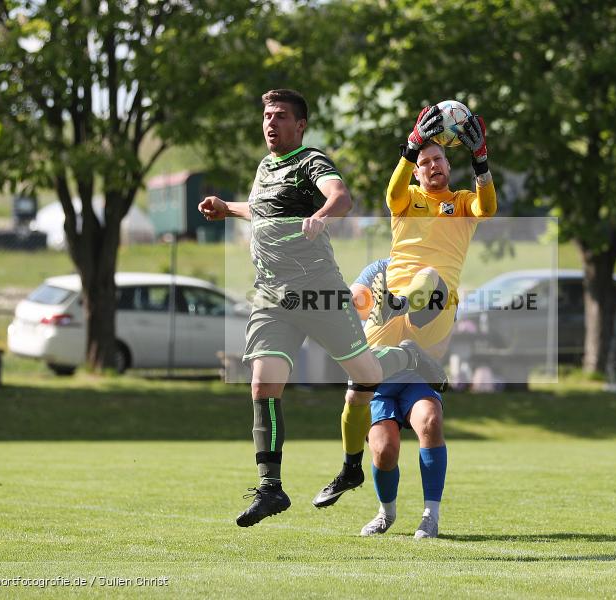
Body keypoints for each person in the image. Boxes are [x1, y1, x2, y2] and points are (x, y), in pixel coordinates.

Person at [196, 89, 447, 528]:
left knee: (364, 375)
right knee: (262, 384)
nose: (270, 123)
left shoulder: (310, 160)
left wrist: (324, 214)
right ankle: (270, 487)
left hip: (318, 291)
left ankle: (408, 355)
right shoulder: (264, 167)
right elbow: (260, 210)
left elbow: (341, 196)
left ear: (300, 125)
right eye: (267, 116)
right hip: (272, 297)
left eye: (280, 116)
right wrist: (227, 209)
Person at [313, 105, 496, 539]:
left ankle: (430, 515)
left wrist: (483, 160)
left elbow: (488, 206)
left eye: (439, 160)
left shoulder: (462, 203)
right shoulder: (406, 199)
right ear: (417, 171)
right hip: (384, 337)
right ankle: (386, 510)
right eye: (426, 162)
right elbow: (393, 187)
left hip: (430, 313)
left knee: (430, 419)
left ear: (450, 164)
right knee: (385, 449)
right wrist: (411, 147)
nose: (433, 166)